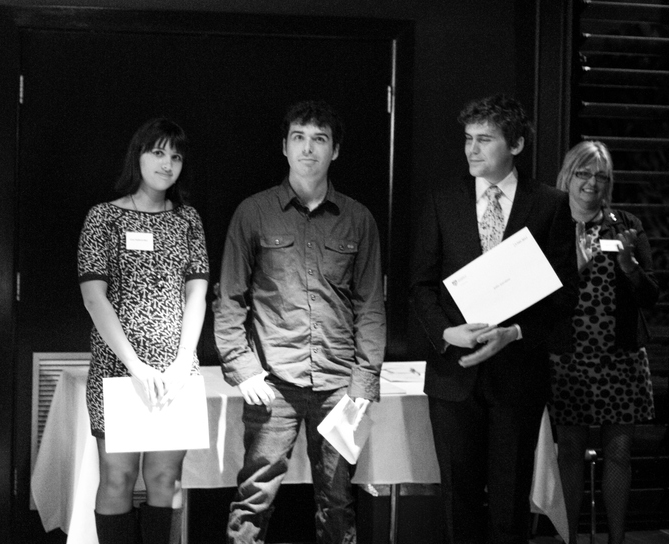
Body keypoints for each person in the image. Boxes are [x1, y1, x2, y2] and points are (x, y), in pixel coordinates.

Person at [409, 94, 578, 544]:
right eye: (468, 138)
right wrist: (447, 332)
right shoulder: (443, 200)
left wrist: (516, 333)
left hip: (518, 374)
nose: (472, 149)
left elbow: (565, 297)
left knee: (510, 503)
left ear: (516, 145)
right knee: (457, 501)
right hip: (453, 373)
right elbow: (420, 285)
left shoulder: (550, 204)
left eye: (485, 139)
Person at [215, 100, 386, 544]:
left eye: (319, 139)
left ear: (335, 150)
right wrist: (242, 368)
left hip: (338, 384)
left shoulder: (358, 219)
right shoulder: (253, 212)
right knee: (254, 497)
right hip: (273, 382)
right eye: (299, 138)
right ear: (285, 147)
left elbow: (371, 306)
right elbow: (229, 298)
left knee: (338, 502)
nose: (308, 148)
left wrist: (364, 380)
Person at [77, 118, 209, 544]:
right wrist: (135, 365)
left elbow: (197, 295)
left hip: (175, 371)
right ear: (138, 155)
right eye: (158, 152)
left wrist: (183, 361)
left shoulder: (188, 219)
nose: (167, 164)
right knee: (117, 476)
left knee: (165, 476)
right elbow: (94, 298)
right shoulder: (103, 217)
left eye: (176, 156)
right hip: (118, 368)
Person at [550, 140, 658, 544]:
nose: (591, 183)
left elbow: (651, 296)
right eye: (583, 173)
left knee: (619, 452)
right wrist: (574, 266)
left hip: (620, 358)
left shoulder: (626, 225)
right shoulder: (551, 224)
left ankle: (617, 540)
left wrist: (629, 266)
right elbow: (535, 294)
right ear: (568, 175)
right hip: (569, 358)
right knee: (569, 451)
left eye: (600, 176)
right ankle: (567, 539)